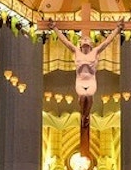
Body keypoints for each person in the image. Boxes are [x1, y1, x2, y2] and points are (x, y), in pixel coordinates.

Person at [49, 20, 125, 154]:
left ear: (90, 44)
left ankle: (86, 116)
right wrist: (55, 28)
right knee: (82, 96)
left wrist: (117, 29)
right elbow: (65, 41)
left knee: (88, 96)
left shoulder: (95, 52)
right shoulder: (76, 51)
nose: (85, 41)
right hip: (80, 81)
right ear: (80, 44)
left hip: (91, 81)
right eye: (83, 40)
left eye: (87, 40)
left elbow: (107, 42)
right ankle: (84, 115)